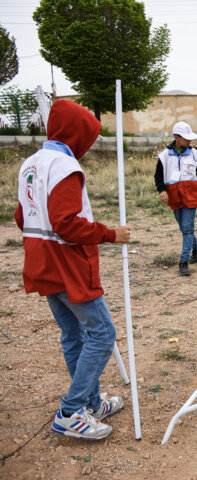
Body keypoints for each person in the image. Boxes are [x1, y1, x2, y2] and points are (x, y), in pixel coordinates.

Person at [14, 99, 131, 440]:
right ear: (77, 132)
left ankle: (91, 403)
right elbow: (66, 224)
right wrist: (110, 234)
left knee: (73, 334)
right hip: (65, 262)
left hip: (40, 259)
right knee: (102, 333)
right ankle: (71, 410)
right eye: (88, 136)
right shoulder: (64, 166)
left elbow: (23, 217)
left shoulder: (31, 163)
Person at [155, 121, 197, 276]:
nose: (189, 141)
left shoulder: (195, 155)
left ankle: (183, 262)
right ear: (176, 137)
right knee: (183, 227)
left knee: (188, 228)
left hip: (191, 194)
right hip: (173, 195)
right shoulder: (164, 156)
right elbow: (158, 176)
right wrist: (161, 190)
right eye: (186, 138)